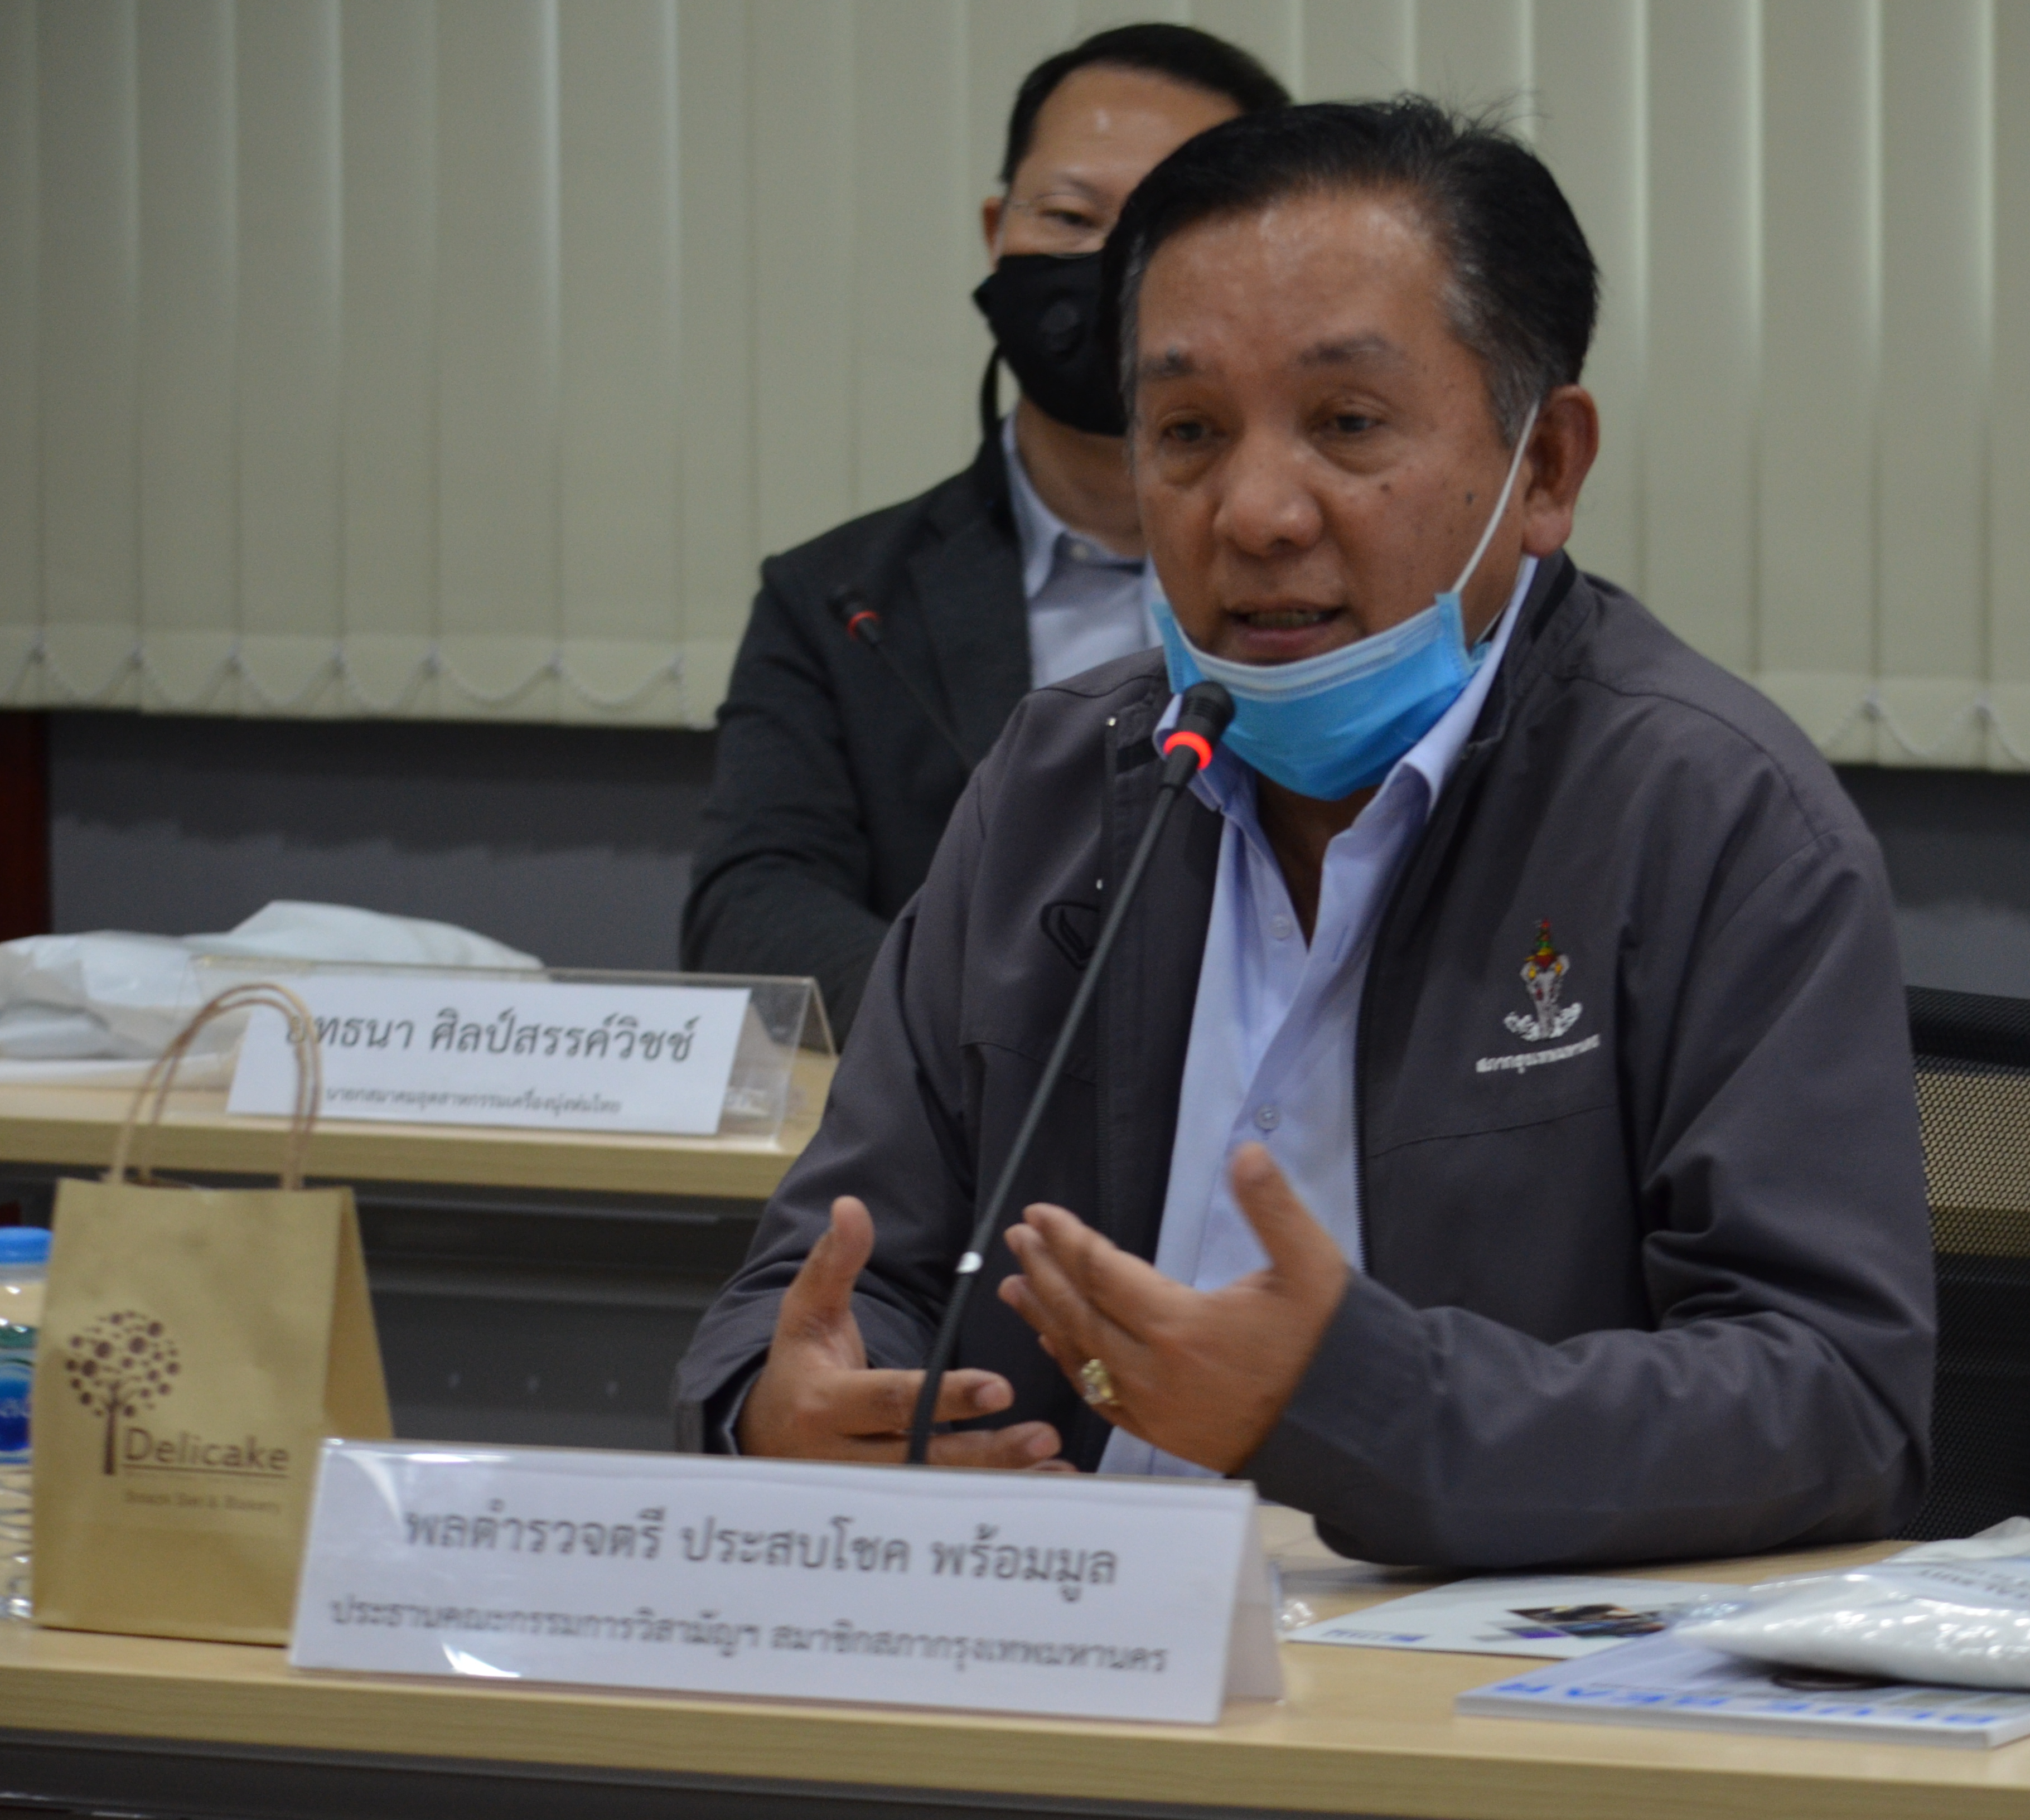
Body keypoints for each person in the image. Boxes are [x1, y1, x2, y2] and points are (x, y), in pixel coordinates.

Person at [675, 99, 1936, 1570]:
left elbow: (1833, 1398)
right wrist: (776, 1405)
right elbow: (835, 1270)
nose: (1257, 513)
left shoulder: (1712, 815)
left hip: (1456, 1667)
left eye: (1346, 425)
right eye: (1189, 434)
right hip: (1056, 1625)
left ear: (1544, 469)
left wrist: (1358, 1405)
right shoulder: (1056, 784)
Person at [680, 25, 1289, 1035]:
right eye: (1070, 216)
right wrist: (987, 1033)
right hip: (958, 1107)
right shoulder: (838, 600)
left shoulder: (1343, 571)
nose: (1109, 263)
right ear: (998, 230)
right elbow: (751, 907)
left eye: (1165, 222)